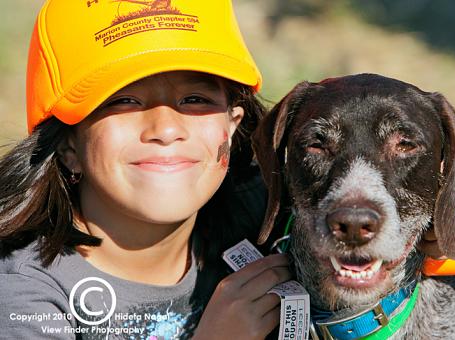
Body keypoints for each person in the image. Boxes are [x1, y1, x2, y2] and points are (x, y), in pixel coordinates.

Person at [0, 0, 290, 339]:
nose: (165, 129)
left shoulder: (270, 228)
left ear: (232, 127)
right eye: (124, 100)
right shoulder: (23, 293)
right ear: (67, 146)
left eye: (195, 98)